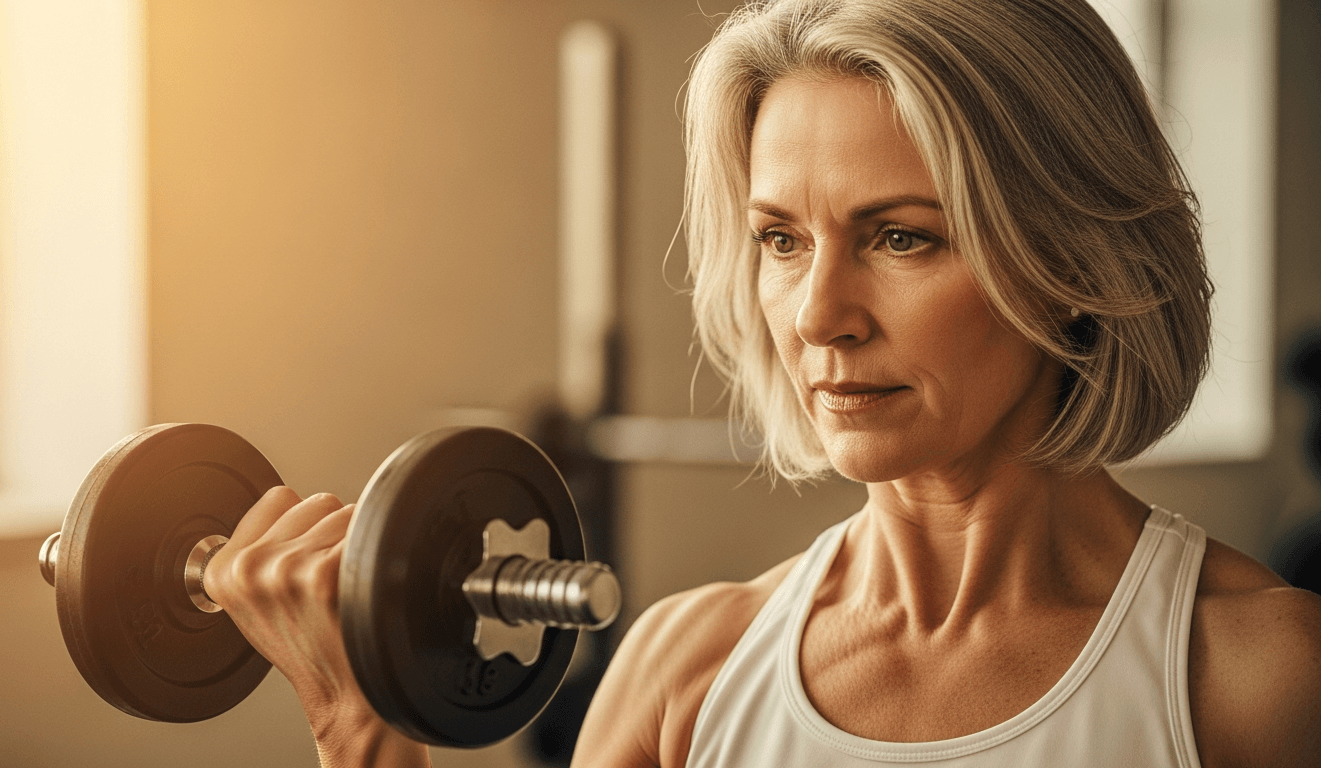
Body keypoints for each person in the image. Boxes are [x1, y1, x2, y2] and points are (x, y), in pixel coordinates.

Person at [202, 1, 1321, 766]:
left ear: (1072, 260)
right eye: (781, 241)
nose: (820, 316)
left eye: (900, 239)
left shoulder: (1258, 682)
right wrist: (362, 729)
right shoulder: (686, 671)